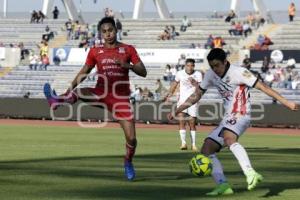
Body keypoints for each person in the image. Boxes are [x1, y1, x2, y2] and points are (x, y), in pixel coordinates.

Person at [168, 48, 299, 196]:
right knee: (207, 148)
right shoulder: (211, 75)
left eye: (217, 65)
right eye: (212, 66)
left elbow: (263, 87)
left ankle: (250, 173)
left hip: (242, 113)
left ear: (225, 61)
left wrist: (286, 102)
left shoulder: (240, 72)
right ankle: (223, 186)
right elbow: (197, 94)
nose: (215, 69)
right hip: (228, 117)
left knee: (229, 138)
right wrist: (177, 110)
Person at [43, 17, 147, 181]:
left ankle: (128, 161)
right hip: (101, 92)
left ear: (116, 30)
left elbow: (143, 71)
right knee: (80, 92)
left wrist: (128, 66)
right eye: (104, 31)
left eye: (110, 30)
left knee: (132, 139)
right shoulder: (95, 51)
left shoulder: (128, 49)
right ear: (100, 33)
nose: (108, 34)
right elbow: (84, 72)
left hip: (120, 99)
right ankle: (57, 100)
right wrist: (68, 89)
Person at [164, 59, 202, 151]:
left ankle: (193, 144)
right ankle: (183, 143)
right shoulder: (180, 73)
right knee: (181, 121)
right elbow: (174, 84)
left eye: (191, 66)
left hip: (193, 101)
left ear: (194, 66)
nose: (189, 67)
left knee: (192, 123)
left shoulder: (198, 74)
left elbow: (201, 89)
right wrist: (169, 94)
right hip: (181, 101)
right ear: (185, 66)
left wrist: (195, 83)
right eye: (188, 65)